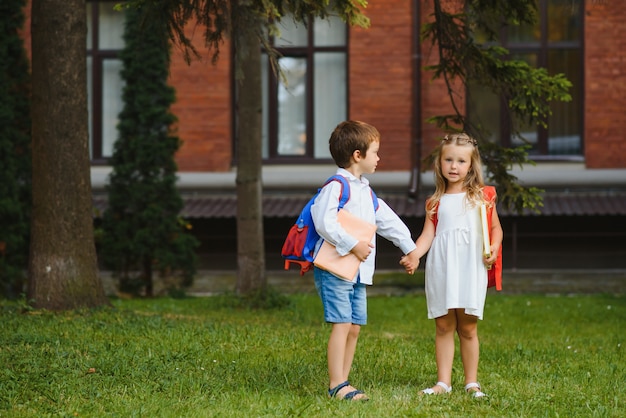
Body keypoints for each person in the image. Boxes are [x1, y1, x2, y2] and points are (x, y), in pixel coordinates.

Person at [311, 120, 419, 401]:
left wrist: (410, 249)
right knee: (342, 323)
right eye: (375, 152)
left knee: (354, 326)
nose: (379, 158)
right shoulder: (335, 187)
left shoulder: (364, 191)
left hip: (357, 272)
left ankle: (343, 382)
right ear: (357, 156)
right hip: (336, 269)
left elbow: (388, 220)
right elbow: (323, 222)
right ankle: (337, 384)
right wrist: (353, 245)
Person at [401, 132, 503, 398]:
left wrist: (493, 247)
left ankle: (472, 382)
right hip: (443, 266)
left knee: (468, 326)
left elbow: (495, 229)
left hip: (470, 265)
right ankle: (443, 382)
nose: (454, 166)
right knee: (444, 325)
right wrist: (415, 254)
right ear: (440, 163)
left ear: (471, 165)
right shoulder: (435, 202)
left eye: (460, 161)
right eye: (448, 160)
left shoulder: (483, 197)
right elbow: (427, 235)